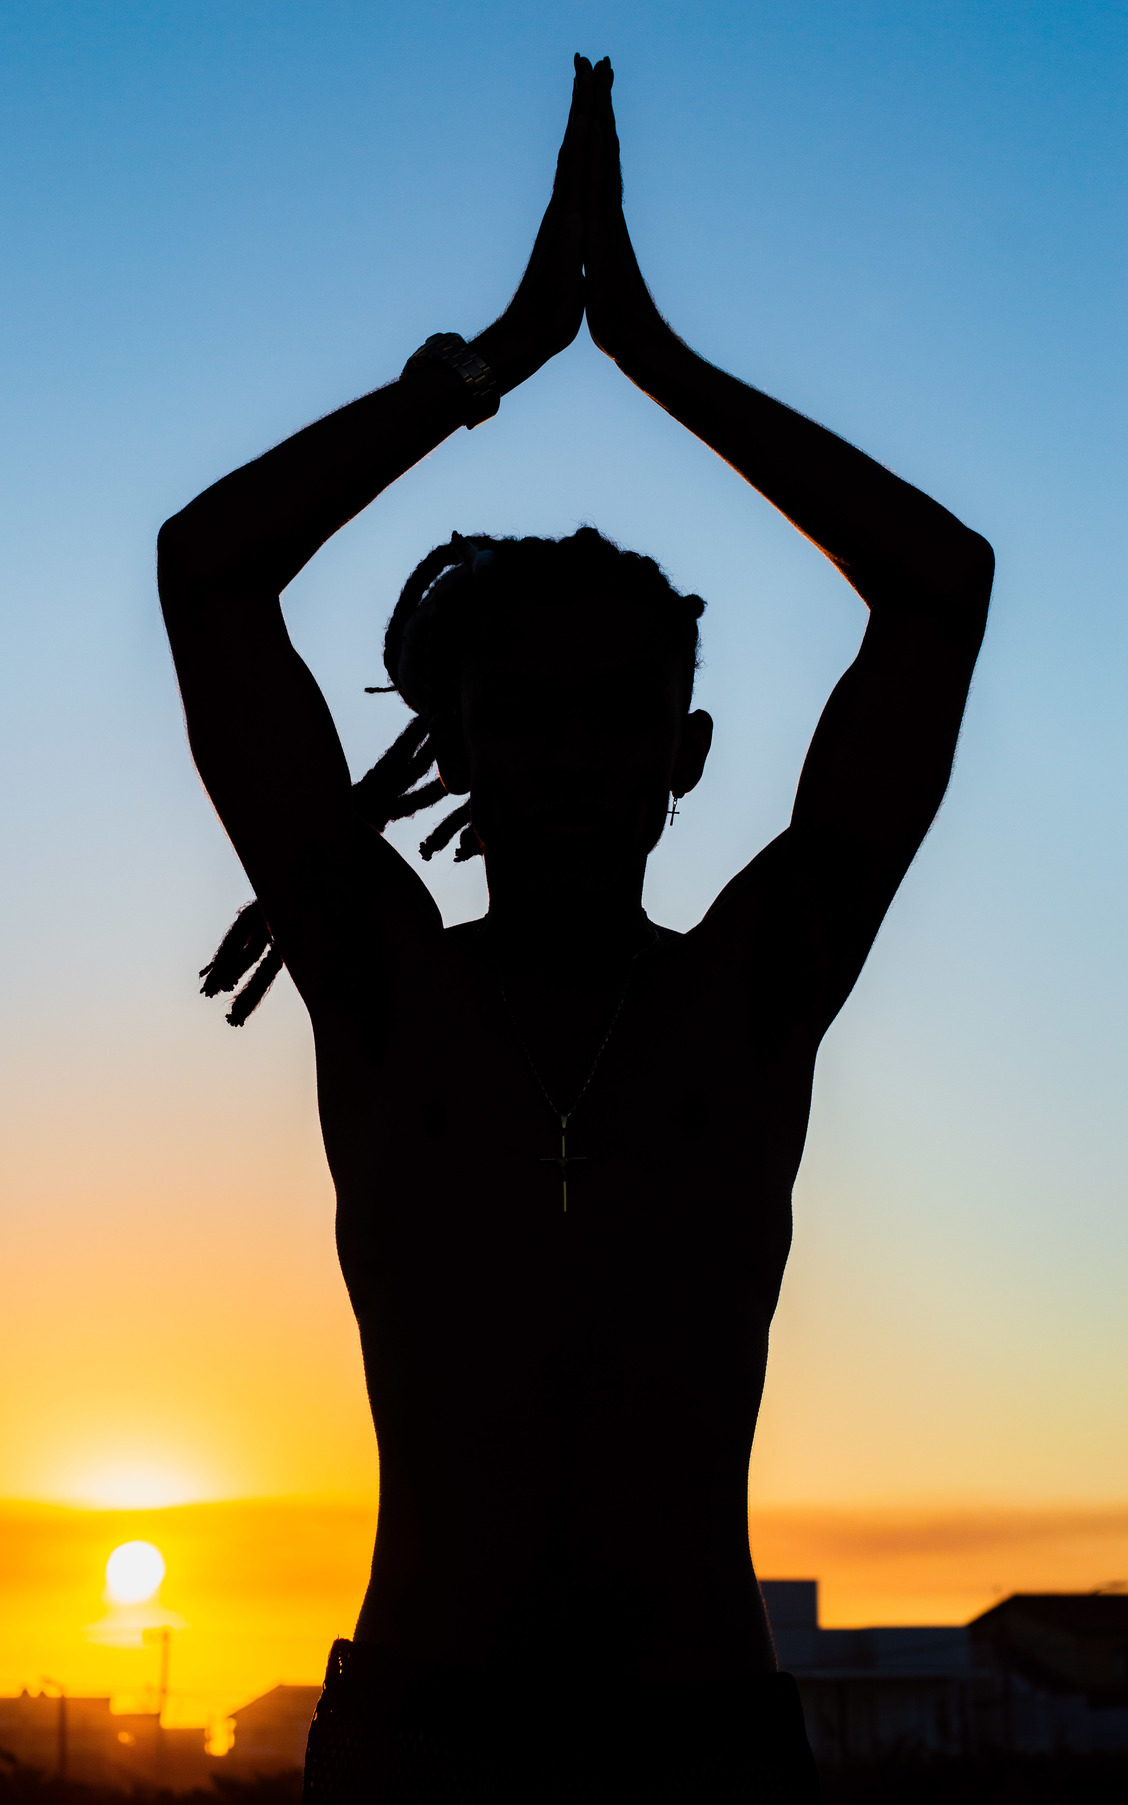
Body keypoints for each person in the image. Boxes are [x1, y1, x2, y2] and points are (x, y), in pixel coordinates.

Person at [158, 54, 992, 1805]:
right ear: (453, 741)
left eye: (617, 712)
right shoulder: (382, 979)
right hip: (424, 1733)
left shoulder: (755, 987)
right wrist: (496, 364)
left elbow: (940, 588)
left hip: (700, 1732)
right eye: (521, 712)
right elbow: (209, 572)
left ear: (682, 754)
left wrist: (659, 362)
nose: (567, 753)